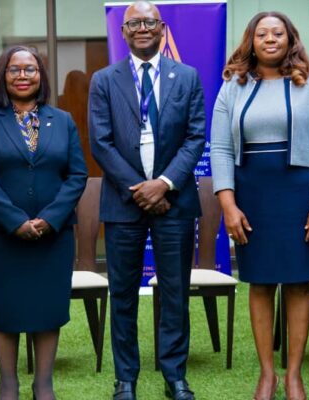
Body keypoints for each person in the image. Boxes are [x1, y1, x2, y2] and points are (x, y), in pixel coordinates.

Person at [210, 11, 309, 400]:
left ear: (290, 39)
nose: (270, 39)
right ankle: (267, 375)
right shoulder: (232, 86)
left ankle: (294, 375)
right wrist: (228, 205)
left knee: (299, 282)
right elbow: (220, 148)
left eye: (278, 33)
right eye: (262, 33)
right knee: (261, 282)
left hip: (301, 195)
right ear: (251, 41)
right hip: (252, 196)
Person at [88, 1, 206, 399]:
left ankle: (175, 375)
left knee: (175, 291)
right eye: (134, 22)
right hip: (123, 203)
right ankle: (126, 378)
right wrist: (141, 188)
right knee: (122, 293)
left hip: (175, 202)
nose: (142, 28)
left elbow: (195, 137)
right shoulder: (104, 80)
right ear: (123, 32)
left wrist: (165, 184)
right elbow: (101, 143)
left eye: (149, 22)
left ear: (162, 29)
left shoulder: (186, 76)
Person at [0, 46, 87, 400]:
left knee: (47, 308)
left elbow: (77, 174)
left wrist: (50, 218)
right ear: (2, 76)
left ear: (41, 76)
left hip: (53, 236)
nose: (22, 76)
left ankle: (43, 385)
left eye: (30, 69)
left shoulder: (62, 120)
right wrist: (15, 221)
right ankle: (8, 384)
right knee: (5, 310)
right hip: (0, 236)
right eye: (14, 69)